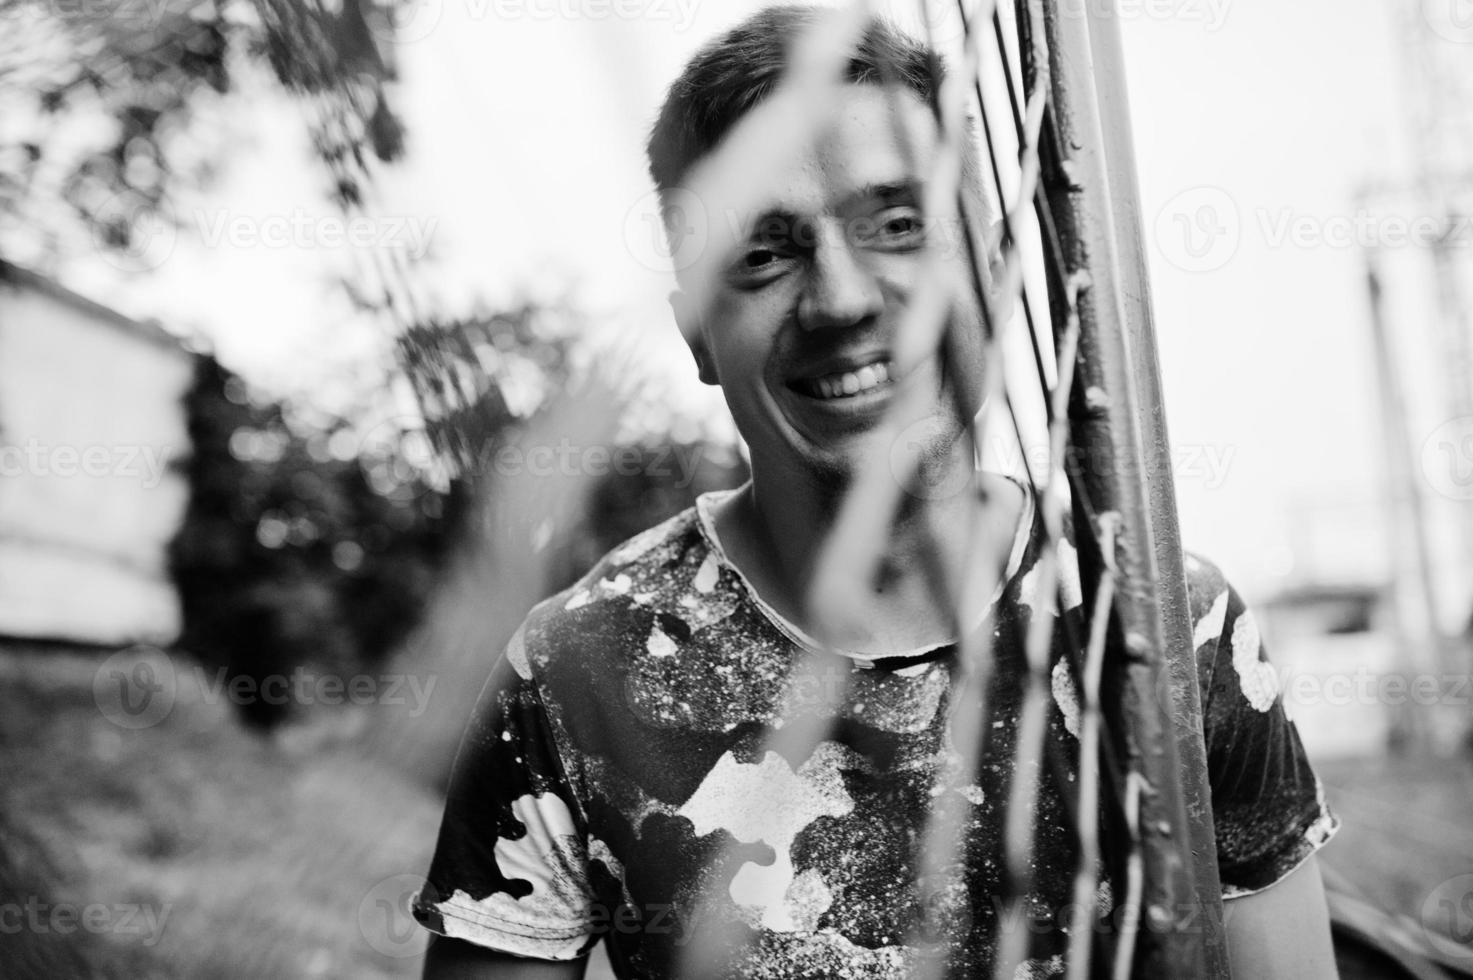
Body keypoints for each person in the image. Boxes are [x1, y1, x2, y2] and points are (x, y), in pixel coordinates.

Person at [413, 6, 1340, 978]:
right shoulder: (575, 674)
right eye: (764, 254)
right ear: (693, 327)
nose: (845, 299)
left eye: (898, 225)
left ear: (987, 269)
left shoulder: (1169, 633)